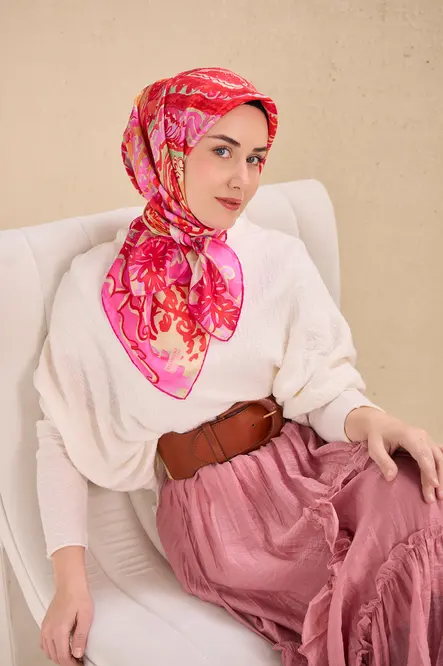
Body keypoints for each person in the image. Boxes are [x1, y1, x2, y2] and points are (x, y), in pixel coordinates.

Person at [33, 67, 443, 666]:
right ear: (168, 149)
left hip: (306, 462)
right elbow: (60, 439)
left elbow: (322, 388)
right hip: (217, 512)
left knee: (419, 497)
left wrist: (375, 420)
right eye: (221, 151)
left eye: (255, 159)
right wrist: (70, 584)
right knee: (367, 588)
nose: (242, 179)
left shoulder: (276, 256)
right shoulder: (93, 286)